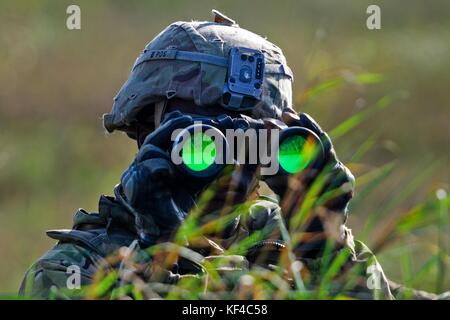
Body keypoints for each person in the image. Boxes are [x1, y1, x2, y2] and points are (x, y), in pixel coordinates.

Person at [19, 10, 442, 300]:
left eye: (258, 135)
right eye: (205, 138)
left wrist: (326, 245)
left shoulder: (286, 248)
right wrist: (163, 252)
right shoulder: (74, 271)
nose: (234, 154)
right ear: (148, 131)